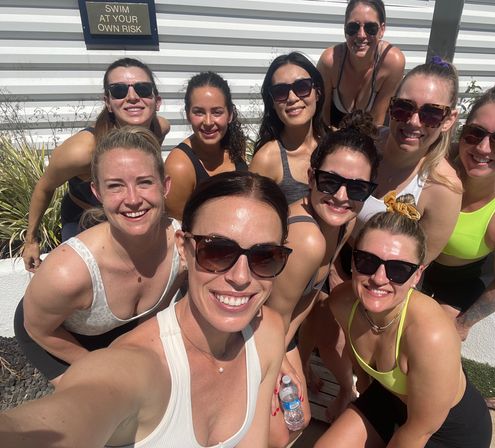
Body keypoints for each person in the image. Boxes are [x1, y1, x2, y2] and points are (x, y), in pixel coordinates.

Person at [1, 171, 290, 447]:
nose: (240, 277)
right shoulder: (139, 365)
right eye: (216, 251)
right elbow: (62, 417)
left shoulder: (267, 333)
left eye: (265, 257)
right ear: (183, 248)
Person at [307, 58, 463, 419]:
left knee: (368, 351)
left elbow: (412, 267)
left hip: (384, 279)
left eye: (430, 114)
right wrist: (331, 269)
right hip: (336, 257)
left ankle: (366, 400)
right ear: (392, 106)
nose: (412, 122)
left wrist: (357, 285)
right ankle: (338, 385)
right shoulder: (366, 149)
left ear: (449, 119)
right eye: (404, 107)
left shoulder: (443, 188)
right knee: (318, 325)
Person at [14, 127, 185, 385]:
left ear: (165, 186)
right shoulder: (67, 272)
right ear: (97, 193)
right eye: (115, 186)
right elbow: (37, 327)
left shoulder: (182, 247)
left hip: (120, 328)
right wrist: (103, 366)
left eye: (145, 182)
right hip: (52, 332)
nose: (133, 199)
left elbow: (155, 316)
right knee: (97, 403)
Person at [315, 202, 492, 448]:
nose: (379, 278)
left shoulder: (431, 336)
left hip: (445, 431)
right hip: (388, 401)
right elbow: (362, 370)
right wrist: (356, 401)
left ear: (417, 275)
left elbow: (419, 431)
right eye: (367, 261)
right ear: (353, 261)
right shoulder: (343, 303)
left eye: (398, 269)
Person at [267, 111, 380, 447]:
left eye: (358, 188)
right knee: (286, 429)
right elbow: (271, 320)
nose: (342, 196)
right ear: (312, 176)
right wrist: (287, 368)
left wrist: (299, 360)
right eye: (331, 182)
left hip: (281, 337)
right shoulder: (307, 239)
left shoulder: (342, 223)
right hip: (258, 341)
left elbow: (303, 304)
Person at [22, 57, 170, 272]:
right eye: (119, 91)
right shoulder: (82, 150)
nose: (132, 97)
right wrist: (31, 241)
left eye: (143, 88)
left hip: (130, 212)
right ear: (108, 102)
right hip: (85, 219)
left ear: (157, 100)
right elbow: (45, 186)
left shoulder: (159, 129)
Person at [422, 81, 495, 340]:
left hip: (458, 283)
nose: (483, 148)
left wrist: (462, 325)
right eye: (475, 133)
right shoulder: (438, 161)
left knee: (433, 339)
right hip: (409, 266)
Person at [165, 72, 247, 220]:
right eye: (199, 112)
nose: (208, 122)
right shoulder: (179, 166)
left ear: (230, 115)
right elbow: (178, 229)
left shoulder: (235, 144)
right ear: (188, 114)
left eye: (217, 112)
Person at [250, 52, 328, 204]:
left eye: (302, 86)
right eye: (280, 91)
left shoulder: (337, 143)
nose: (292, 98)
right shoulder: (266, 159)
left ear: (317, 93)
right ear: (272, 102)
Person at [318, 0, 405, 127]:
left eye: (371, 28)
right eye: (353, 27)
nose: (361, 35)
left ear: (382, 30)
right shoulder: (330, 62)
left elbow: (377, 123)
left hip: (370, 133)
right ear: (344, 30)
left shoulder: (392, 62)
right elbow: (322, 118)